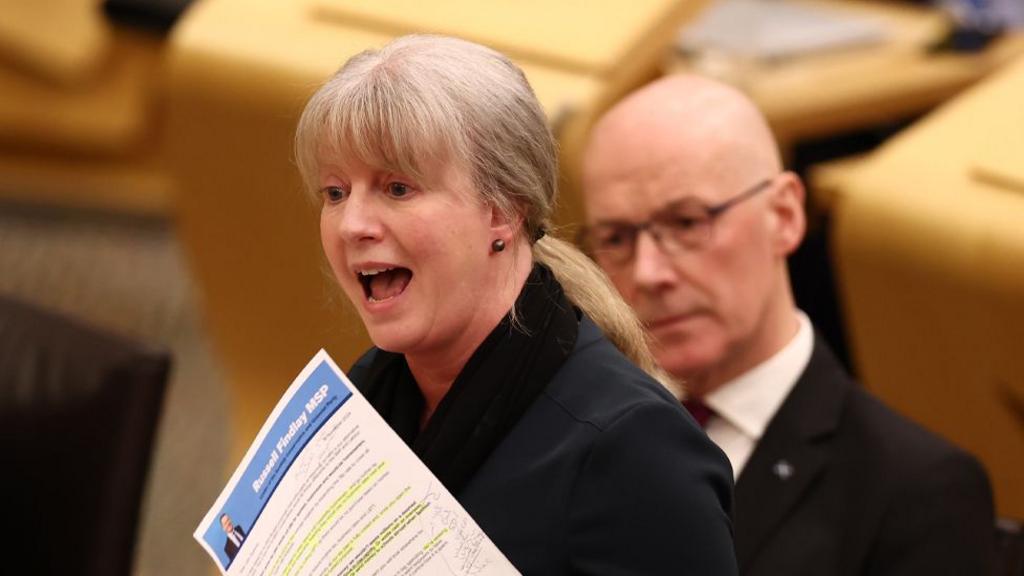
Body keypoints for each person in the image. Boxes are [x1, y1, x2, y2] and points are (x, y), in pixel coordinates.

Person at [293, 35, 737, 574]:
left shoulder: (633, 448)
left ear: (502, 211)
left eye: (397, 189)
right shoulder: (366, 395)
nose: (353, 225)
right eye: (335, 193)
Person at [580, 74, 996, 576]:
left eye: (687, 223)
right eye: (617, 238)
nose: (647, 273)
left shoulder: (916, 489)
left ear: (785, 214)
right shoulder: (574, 431)